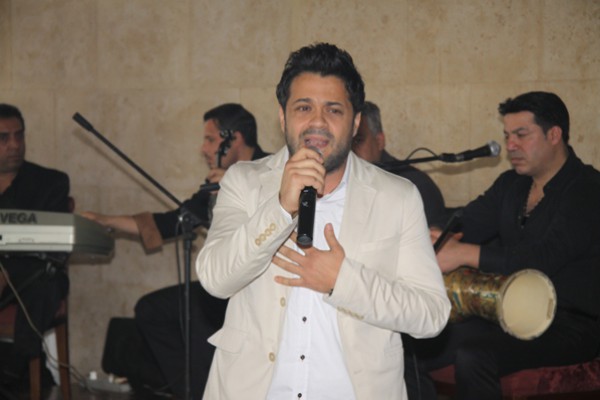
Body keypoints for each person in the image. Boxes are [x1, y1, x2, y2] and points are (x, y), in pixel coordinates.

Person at [196, 42, 451, 399]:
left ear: (356, 122)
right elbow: (215, 279)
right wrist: (280, 208)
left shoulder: (398, 196)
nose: (318, 122)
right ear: (283, 117)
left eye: (333, 110)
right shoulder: (244, 181)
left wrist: (343, 280)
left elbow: (431, 314)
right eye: (304, 108)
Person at [405, 91, 600, 399]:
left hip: (569, 323)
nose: (510, 146)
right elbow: (466, 222)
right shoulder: (511, 184)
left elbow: (543, 259)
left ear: (554, 135)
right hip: (506, 312)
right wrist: (432, 235)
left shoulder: (587, 189)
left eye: (521, 135)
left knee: (474, 356)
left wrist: (463, 254)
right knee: (411, 341)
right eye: (507, 136)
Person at [83, 103, 268, 399]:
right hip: (222, 285)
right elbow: (173, 223)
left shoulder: (272, 170)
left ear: (234, 138)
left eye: (210, 139)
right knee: (153, 310)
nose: (203, 149)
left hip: (262, 290)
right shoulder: (217, 182)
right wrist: (106, 221)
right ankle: (193, 391)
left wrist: (238, 188)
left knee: (201, 317)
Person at [0, 103, 71, 389]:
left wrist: (6, 271)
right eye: (4, 138)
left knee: (46, 283)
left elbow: (52, 245)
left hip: (34, 274)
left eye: (19, 135)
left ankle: (12, 374)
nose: (14, 145)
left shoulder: (50, 183)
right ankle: (28, 377)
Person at [352, 100, 447, 225]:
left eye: (358, 141)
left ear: (379, 141)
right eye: (347, 142)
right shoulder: (338, 183)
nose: (350, 151)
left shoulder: (416, 185)